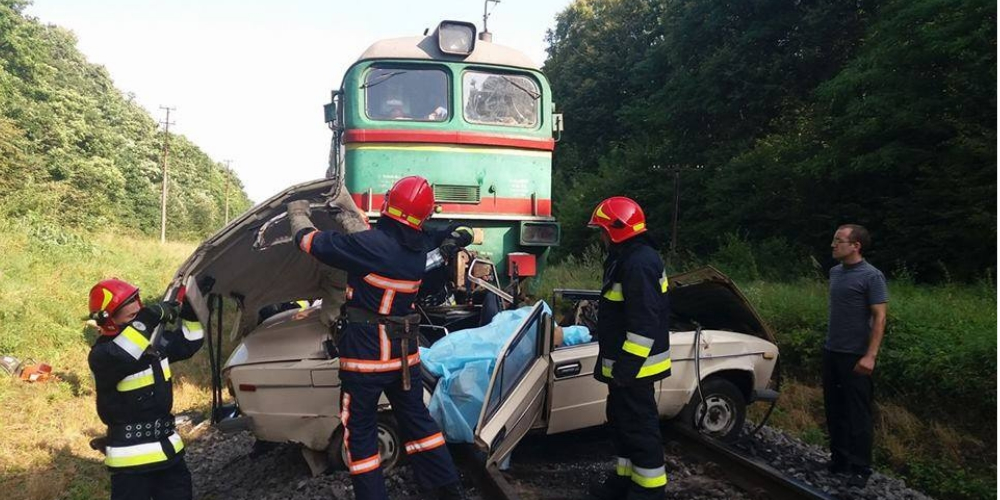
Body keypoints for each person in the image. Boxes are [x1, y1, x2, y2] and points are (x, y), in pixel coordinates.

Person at [286, 176, 473, 500]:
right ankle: (446, 489)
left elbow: (310, 243)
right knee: (418, 422)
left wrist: (297, 214)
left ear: (388, 203)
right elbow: (451, 233)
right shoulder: (420, 249)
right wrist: (455, 238)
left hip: (365, 360)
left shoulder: (368, 247)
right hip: (404, 358)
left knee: (360, 433)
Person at [87, 278, 204, 500]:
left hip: (169, 455)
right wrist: (148, 317)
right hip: (131, 465)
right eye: (132, 317)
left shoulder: (153, 344)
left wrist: (190, 308)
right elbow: (124, 353)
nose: (138, 319)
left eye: (139, 311)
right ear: (109, 321)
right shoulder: (102, 355)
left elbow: (190, 341)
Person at [586, 197, 671, 500]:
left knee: (639, 428)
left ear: (616, 230)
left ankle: (649, 490)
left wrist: (625, 369)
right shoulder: (626, 257)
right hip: (625, 368)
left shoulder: (639, 263)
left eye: (603, 230)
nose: (600, 236)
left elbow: (644, 324)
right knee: (621, 424)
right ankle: (625, 480)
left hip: (636, 368)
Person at [824, 224, 888, 488]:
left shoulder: (872, 276)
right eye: (834, 240)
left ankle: (860, 467)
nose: (833, 245)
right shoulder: (835, 273)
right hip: (832, 351)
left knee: (858, 413)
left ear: (855, 246)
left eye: (839, 240)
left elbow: (880, 316)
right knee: (834, 408)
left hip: (856, 356)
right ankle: (839, 459)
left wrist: (870, 356)